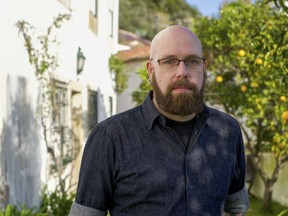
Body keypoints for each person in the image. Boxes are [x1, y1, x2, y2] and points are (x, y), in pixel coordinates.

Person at [69, 25, 250, 216]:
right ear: (150, 70)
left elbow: (236, 207)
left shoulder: (228, 131)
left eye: (192, 61)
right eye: (169, 61)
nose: (182, 71)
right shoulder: (110, 137)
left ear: (203, 69)